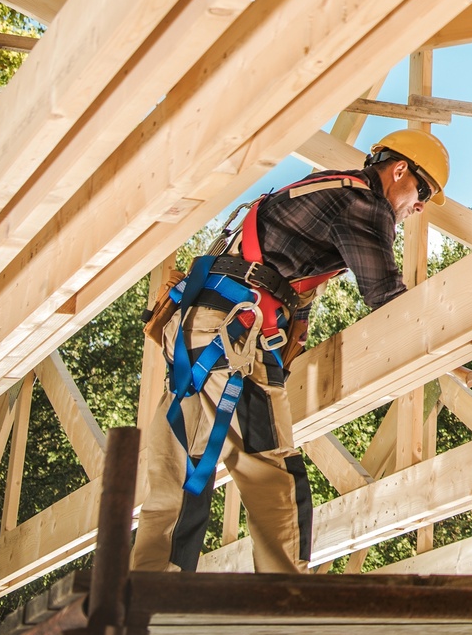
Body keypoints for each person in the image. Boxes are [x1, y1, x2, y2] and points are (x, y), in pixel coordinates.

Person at [131, 129, 450, 573]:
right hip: (234, 334)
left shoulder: (326, 190)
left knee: (179, 474)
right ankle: (284, 592)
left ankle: (148, 587)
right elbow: (386, 296)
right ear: (399, 170)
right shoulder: (364, 203)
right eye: (423, 190)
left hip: (194, 331)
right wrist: (446, 352)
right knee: (273, 470)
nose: (419, 205)